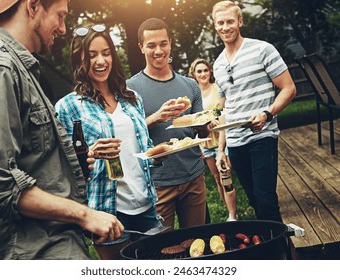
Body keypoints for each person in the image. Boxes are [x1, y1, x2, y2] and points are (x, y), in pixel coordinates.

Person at [0, 0, 123, 260]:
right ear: (33, 6)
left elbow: (32, 160)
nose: (64, 29)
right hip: (33, 251)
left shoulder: (21, 65)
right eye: (60, 16)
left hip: (54, 241)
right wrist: (85, 214)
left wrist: (71, 166)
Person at [55, 23, 163, 259]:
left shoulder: (132, 98)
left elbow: (143, 148)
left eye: (105, 53)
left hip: (146, 203)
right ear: (79, 59)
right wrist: (89, 155)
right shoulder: (67, 106)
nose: (101, 61)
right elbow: (62, 167)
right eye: (92, 55)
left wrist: (159, 153)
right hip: (107, 210)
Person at [211, 1, 296, 222]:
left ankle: (280, 252)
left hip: (262, 137)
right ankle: (271, 247)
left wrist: (267, 114)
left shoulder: (262, 49)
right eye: (220, 23)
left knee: (265, 200)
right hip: (235, 143)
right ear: (215, 26)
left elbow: (289, 88)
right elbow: (225, 109)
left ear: (240, 21)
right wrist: (221, 150)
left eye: (230, 21)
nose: (226, 27)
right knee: (254, 201)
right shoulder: (218, 64)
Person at [127, 18, 209, 230]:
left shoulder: (191, 85)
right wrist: (156, 117)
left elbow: (200, 132)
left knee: (197, 243)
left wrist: (207, 122)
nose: (158, 50)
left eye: (163, 43)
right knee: (162, 250)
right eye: (151, 45)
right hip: (158, 183)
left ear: (170, 43)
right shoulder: (129, 90)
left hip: (193, 177)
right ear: (141, 47)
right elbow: (127, 135)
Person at [189, 58, 237, 222]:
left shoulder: (217, 89)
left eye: (205, 70)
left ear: (210, 72)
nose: (203, 74)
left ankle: (233, 215)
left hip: (221, 139)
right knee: (217, 178)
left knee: (226, 175)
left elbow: (223, 117)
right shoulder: (194, 94)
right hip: (206, 143)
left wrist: (221, 149)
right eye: (199, 71)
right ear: (194, 75)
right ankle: (227, 210)